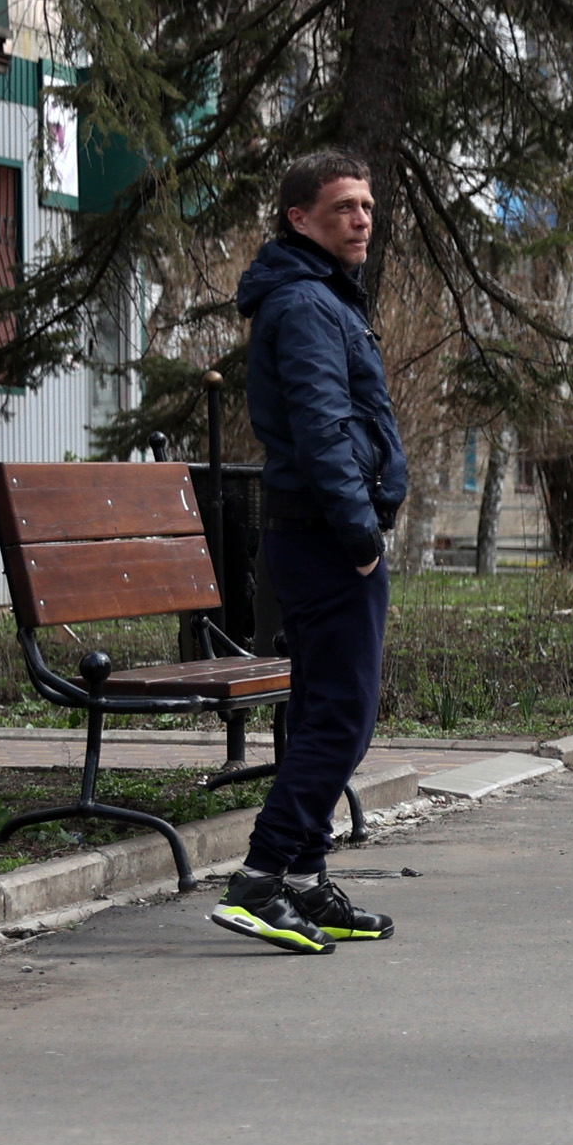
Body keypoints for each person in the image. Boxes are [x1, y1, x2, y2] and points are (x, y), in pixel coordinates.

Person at [212, 148, 410, 953]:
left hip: (323, 534)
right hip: (327, 538)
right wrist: (360, 534)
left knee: (333, 713)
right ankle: (261, 878)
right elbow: (324, 425)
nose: (361, 219)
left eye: (365, 206)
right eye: (342, 208)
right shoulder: (304, 306)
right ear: (299, 218)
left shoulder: (320, 298)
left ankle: (302, 881)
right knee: (340, 718)